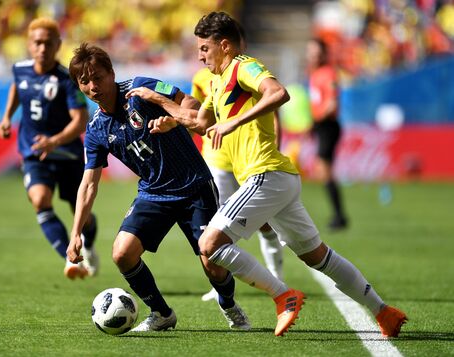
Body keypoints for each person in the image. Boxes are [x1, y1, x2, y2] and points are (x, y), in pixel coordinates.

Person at [145, 11, 408, 338]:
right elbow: (202, 122)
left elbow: (278, 93)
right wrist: (171, 118)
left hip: (265, 173)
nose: (199, 55)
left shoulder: (244, 66)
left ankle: (284, 296)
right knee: (318, 257)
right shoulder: (215, 82)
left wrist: (234, 122)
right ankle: (384, 312)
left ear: (224, 45)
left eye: (204, 49)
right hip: (277, 179)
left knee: (210, 244)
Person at [65, 43, 251, 332]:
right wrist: (76, 233)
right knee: (122, 253)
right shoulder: (96, 129)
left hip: (194, 186)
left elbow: (191, 104)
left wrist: (173, 117)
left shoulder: (142, 87)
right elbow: (89, 184)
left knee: (212, 262)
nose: (93, 86)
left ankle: (228, 304)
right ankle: (162, 313)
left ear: (112, 73)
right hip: (153, 193)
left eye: (98, 77)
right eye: (84, 81)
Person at [0, 18, 99, 280]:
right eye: (37, 43)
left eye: (48, 43)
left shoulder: (67, 80)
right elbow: (17, 89)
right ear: (29, 45)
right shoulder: (20, 70)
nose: (42, 48)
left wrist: (54, 141)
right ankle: (70, 259)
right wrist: (7, 116)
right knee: (40, 200)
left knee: (82, 216)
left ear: (58, 45)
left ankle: (88, 246)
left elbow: (80, 120)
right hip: (34, 153)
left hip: (67, 154)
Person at [192, 65, 284, 304]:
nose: (203, 55)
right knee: (217, 227)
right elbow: (198, 115)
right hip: (217, 160)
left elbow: (274, 110)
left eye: (205, 48)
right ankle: (221, 285)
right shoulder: (201, 79)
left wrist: (276, 144)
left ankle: (277, 277)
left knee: (266, 222)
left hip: (248, 159)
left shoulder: (246, 72)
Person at [306, 38, 348, 230]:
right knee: (323, 171)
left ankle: (339, 216)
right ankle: (338, 215)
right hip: (321, 126)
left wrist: (317, 119)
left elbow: (332, 104)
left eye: (316, 52)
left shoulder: (328, 73)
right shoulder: (314, 74)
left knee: (326, 170)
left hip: (328, 125)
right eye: (310, 52)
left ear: (323, 54)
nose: (312, 55)